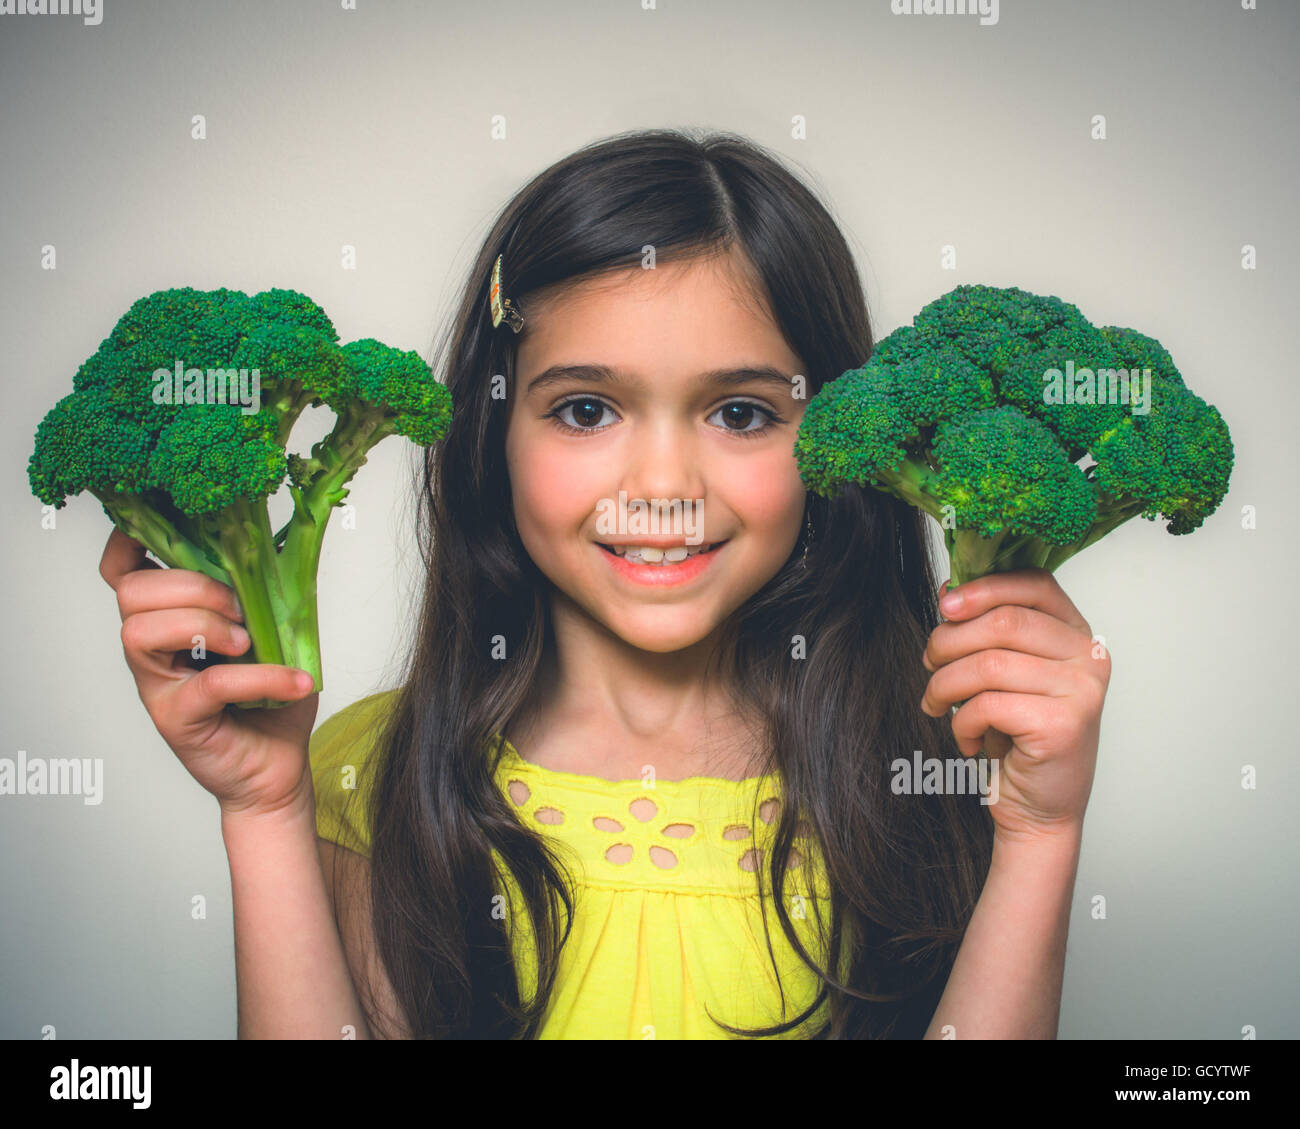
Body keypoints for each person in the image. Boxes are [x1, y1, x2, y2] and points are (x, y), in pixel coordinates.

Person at [100, 127, 1106, 1039]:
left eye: (743, 413)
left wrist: (1042, 832)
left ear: (842, 440)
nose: (662, 485)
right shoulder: (376, 774)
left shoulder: (929, 773)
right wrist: (264, 811)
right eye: (586, 409)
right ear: (495, 433)